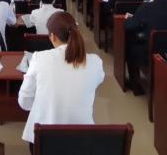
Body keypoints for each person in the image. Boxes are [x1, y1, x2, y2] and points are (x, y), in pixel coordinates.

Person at [18, 12, 104, 150]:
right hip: (82, 141)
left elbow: (24, 102)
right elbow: (96, 81)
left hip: (45, 140)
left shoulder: (39, 58)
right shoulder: (95, 61)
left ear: (52, 36)